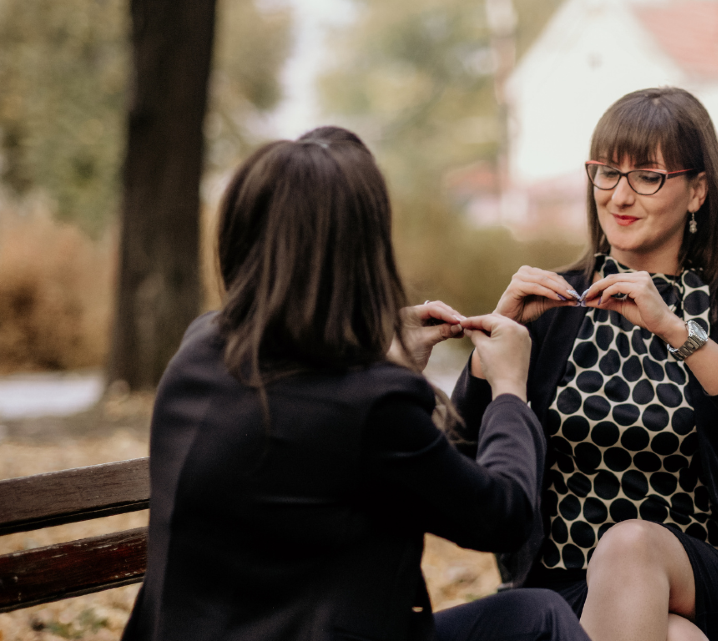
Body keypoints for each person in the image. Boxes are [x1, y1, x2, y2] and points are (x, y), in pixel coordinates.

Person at [122, 126, 589, 641]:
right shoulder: (370, 404)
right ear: (360, 252)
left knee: (536, 617)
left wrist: (374, 353)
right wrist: (508, 390)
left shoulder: (202, 345)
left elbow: (367, 446)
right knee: (541, 621)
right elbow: (501, 516)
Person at [451, 88, 718, 641]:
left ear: (697, 191)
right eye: (607, 172)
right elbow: (462, 450)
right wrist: (492, 343)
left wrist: (675, 331)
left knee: (632, 544)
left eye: (647, 176)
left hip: (700, 576)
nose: (620, 195)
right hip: (564, 583)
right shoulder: (553, 303)